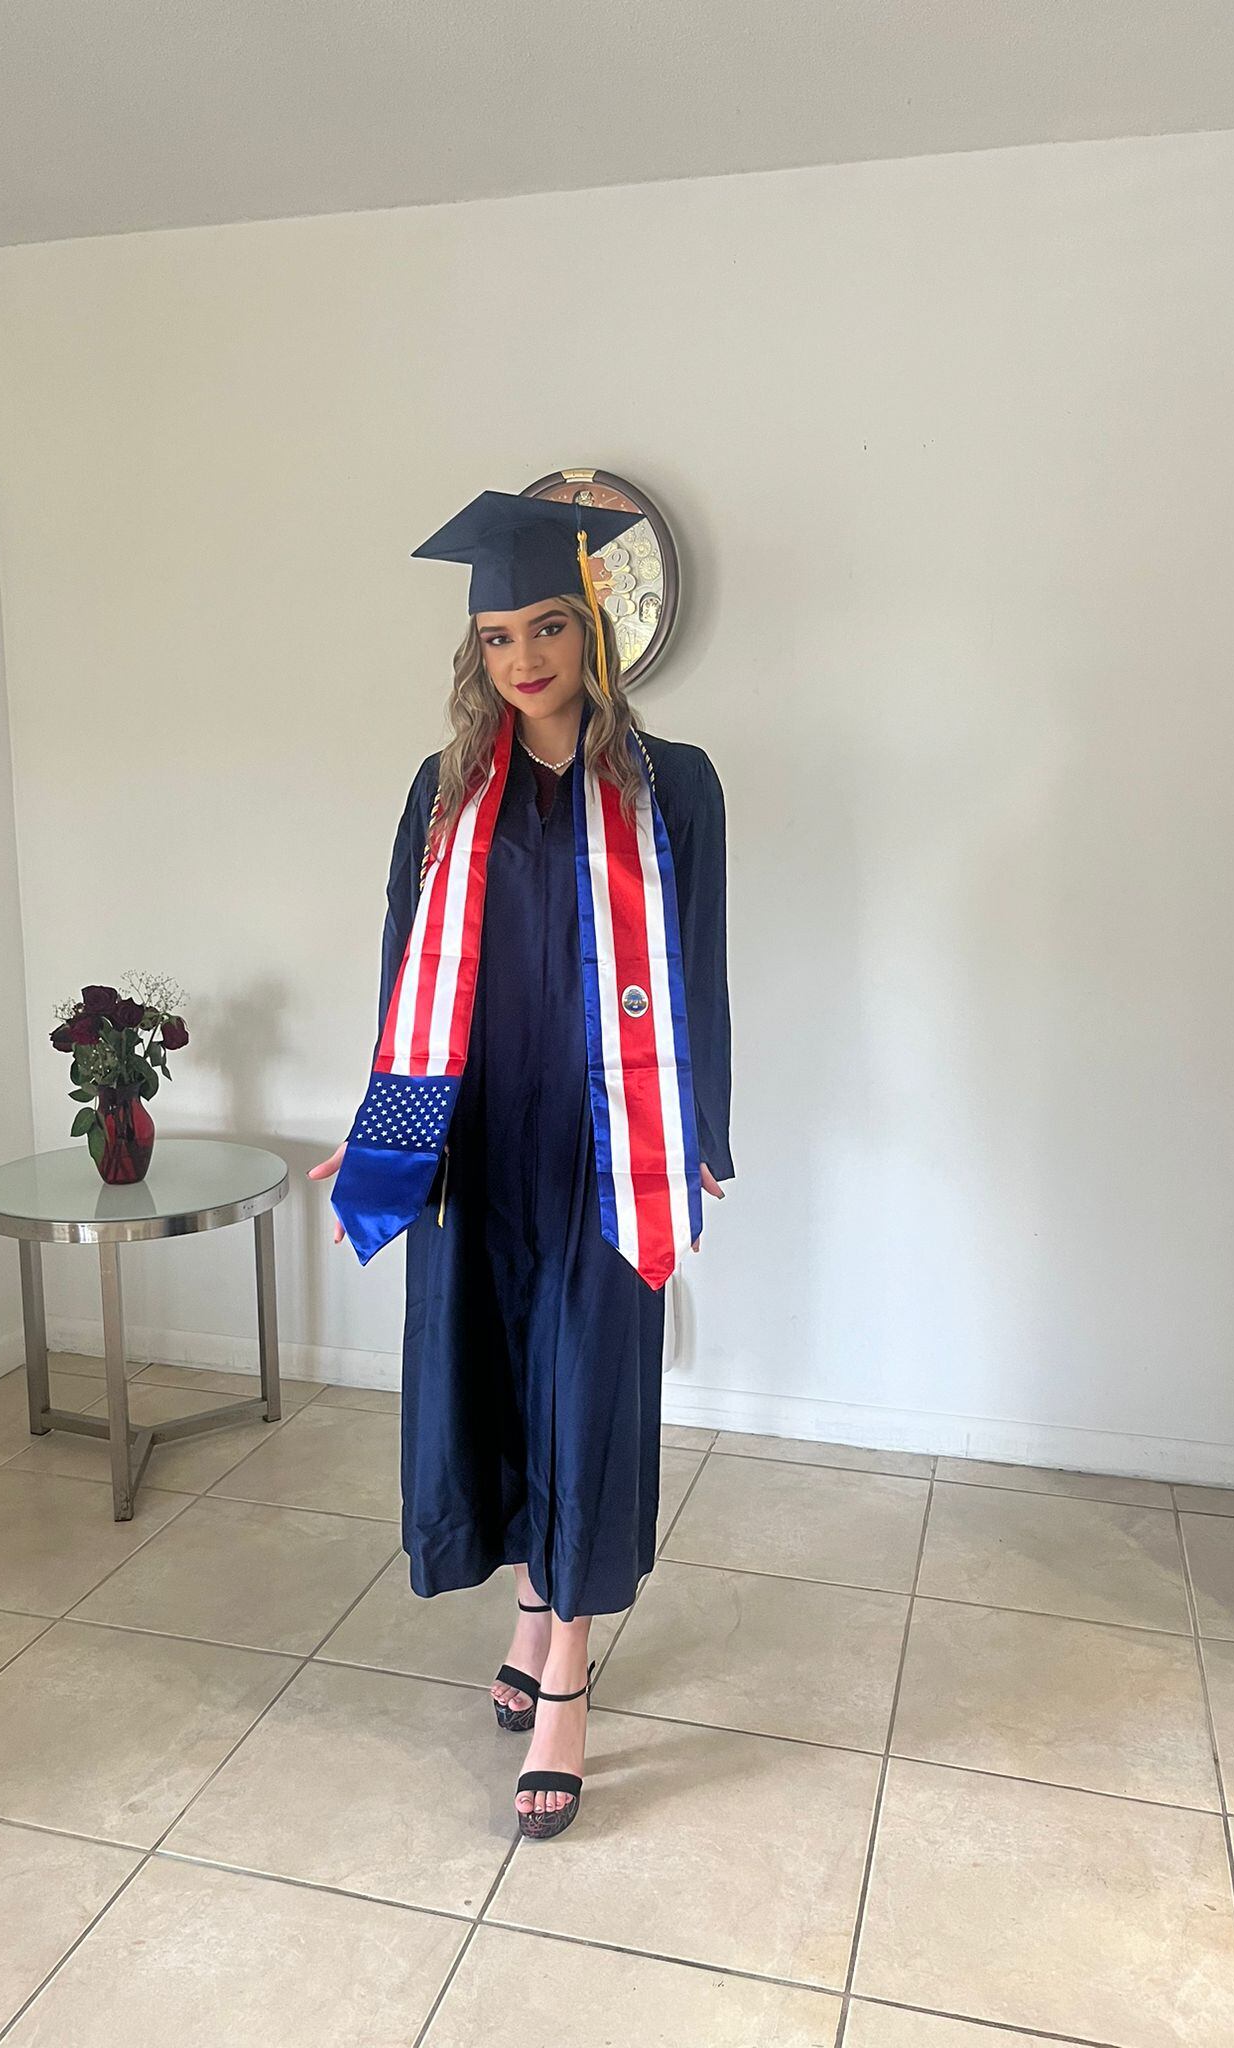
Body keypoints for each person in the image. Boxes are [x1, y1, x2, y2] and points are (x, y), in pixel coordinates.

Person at [310, 489, 732, 1840]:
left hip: (611, 1143)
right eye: (496, 637)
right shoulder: (441, 797)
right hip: (477, 1133)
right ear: (475, 655)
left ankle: (566, 1691)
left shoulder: (675, 787)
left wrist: (704, 1127)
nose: (523, 659)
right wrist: (379, 1127)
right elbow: (403, 977)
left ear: (592, 631)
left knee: (592, 1388)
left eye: (547, 626)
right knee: (488, 1371)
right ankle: (538, 1600)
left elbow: (702, 970)